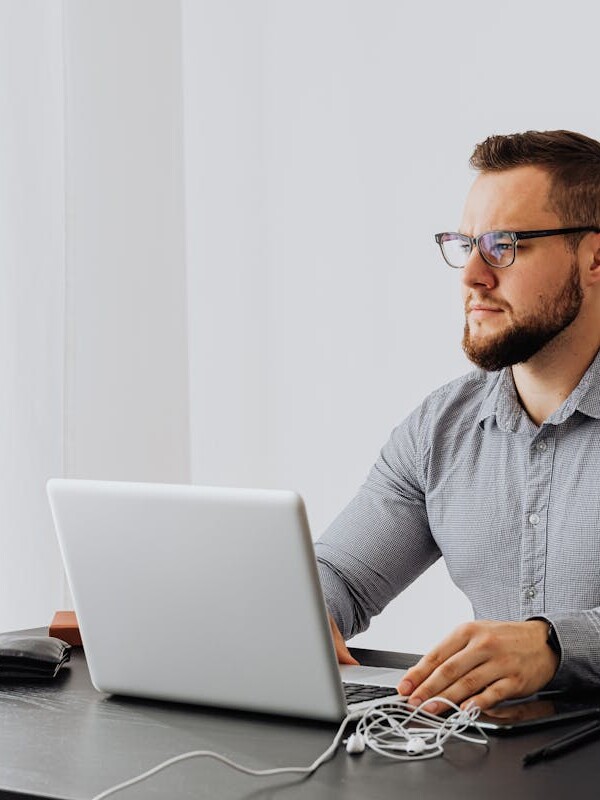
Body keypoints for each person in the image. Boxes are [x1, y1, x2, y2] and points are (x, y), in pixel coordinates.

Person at [314, 129, 600, 714]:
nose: (472, 274)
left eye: (504, 245)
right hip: (498, 764)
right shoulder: (439, 429)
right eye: (465, 243)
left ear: (595, 258)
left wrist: (552, 645)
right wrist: (303, 613)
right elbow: (340, 572)